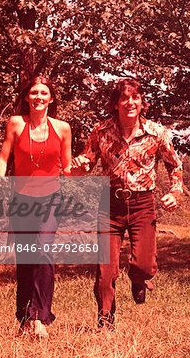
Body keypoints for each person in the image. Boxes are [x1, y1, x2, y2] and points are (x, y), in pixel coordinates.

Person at [72, 78, 183, 328]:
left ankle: (138, 279)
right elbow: (86, 162)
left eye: (135, 97)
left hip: (143, 205)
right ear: (115, 104)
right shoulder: (101, 131)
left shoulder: (157, 133)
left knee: (143, 265)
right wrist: (78, 165)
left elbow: (174, 164)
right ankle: (105, 319)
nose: (130, 102)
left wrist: (175, 192)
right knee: (105, 271)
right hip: (109, 205)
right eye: (124, 98)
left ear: (142, 102)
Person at [0, 75, 71, 338]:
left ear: (51, 99)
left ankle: (41, 318)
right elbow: (4, 158)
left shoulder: (62, 128)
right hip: (22, 201)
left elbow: (67, 166)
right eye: (34, 93)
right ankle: (25, 317)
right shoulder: (16, 124)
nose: (39, 97)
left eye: (44, 93)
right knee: (26, 258)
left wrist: (81, 168)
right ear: (27, 97)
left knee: (43, 253)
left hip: (51, 199)